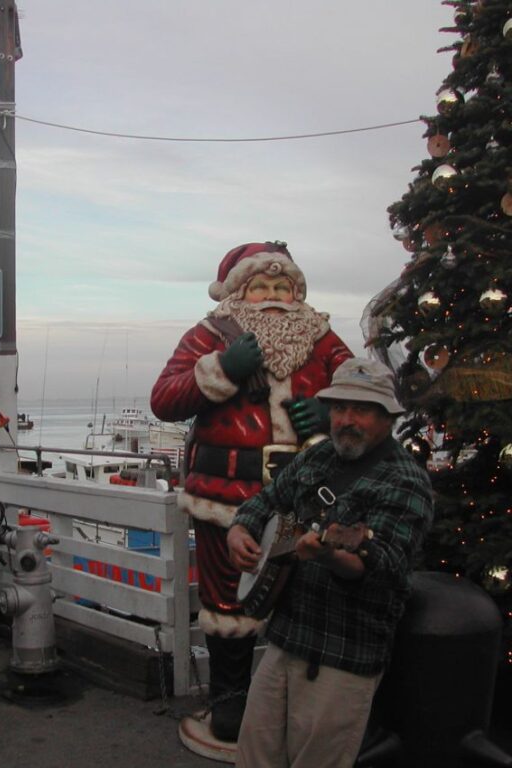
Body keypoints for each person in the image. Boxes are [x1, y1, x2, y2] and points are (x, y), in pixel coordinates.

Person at [150, 241, 353, 741]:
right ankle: (230, 700)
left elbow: (361, 391)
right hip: (224, 492)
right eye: (260, 286)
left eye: (282, 286)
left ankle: (293, 700)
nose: (273, 296)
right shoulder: (208, 335)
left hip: (304, 494)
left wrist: (331, 412)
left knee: (303, 592)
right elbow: (164, 399)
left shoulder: (322, 338)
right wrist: (223, 368)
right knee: (227, 597)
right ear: (237, 293)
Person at [227, 358, 433, 768]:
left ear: (388, 417)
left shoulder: (406, 482)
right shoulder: (318, 457)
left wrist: (330, 554)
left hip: (342, 654)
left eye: (361, 410)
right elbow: (265, 501)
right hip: (284, 637)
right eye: (339, 408)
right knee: (253, 756)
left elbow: (384, 569)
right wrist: (240, 529)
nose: (346, 420)